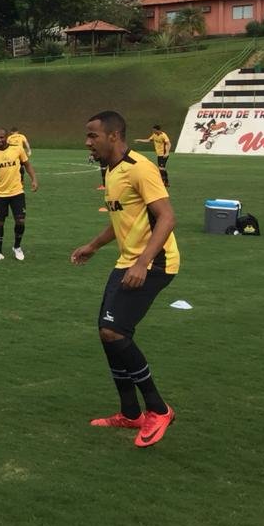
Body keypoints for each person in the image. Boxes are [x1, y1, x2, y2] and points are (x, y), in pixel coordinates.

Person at [71, 110, 179, 448]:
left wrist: (143, 263)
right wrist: (93, 245)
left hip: (155, 263)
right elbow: (120, 220)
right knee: (106, 332)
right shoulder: (112, 170)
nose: (88, 142)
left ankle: (158, 410)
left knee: (114, 330)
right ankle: (130, 413)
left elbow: (167, 217)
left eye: (93, 136)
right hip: (128, 261)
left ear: (114, 136)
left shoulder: (140, 168)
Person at [0, 127, 38, 261]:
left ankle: (17, 247)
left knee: (20, 221)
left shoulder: (17, 149)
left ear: (6, 137)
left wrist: (34, 179)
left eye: (1, 137)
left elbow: (27, 165)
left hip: (17, 192)